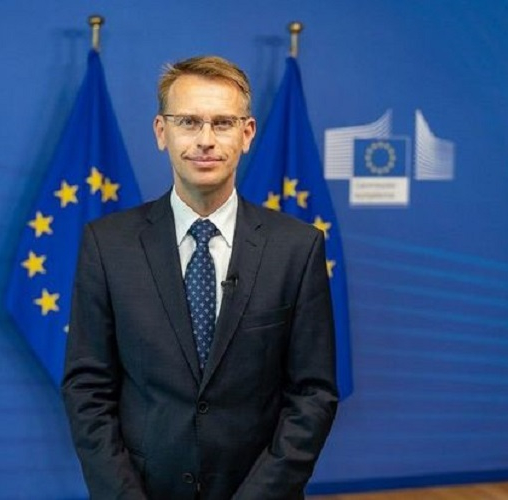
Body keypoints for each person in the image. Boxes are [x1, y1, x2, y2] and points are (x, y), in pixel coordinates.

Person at [61, 55, 338, 500]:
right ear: (161, 131)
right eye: (188, 122)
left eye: (223, 123)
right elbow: (87, 389)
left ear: (247, 133)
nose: (205, 140)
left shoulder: (297, 247)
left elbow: (313, 394)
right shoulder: (107, 244)